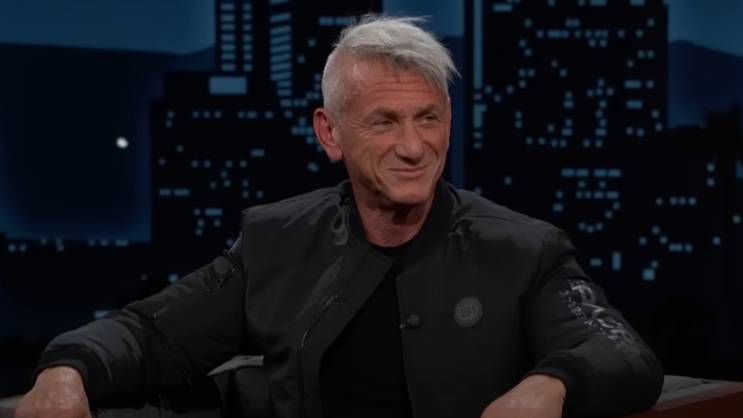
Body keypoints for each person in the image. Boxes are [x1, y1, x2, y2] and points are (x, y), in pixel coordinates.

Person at [15, 16, 662, 418]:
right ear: (330, 133)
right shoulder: (276, 238)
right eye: (384, 122)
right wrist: (67, 369)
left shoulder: (523, 249)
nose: (413, 146)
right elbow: (152, 334)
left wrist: (549, 387)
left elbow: (620, 352)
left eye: (428, 118)